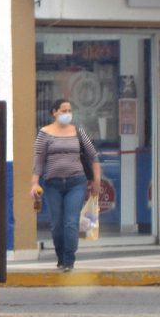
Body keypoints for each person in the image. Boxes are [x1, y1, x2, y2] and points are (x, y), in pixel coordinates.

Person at [30, 99, 101, 272]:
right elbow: (38, 160)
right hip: (52, 184)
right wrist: (34, 183)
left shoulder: (78, 132)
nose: (67, 114)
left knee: (70, 222)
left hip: (76, 183)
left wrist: (96, 181)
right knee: (56, 224)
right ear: (54, 112)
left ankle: (69, 259)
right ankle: (60, 255)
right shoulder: (44, 133)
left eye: (69, 110)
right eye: (63, 111)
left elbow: (93, 156)